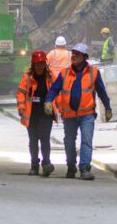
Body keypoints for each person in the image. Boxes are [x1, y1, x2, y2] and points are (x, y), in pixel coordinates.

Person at [45, 41, 112, 180]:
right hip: (69, 114)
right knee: (69, 141)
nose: (73, 56)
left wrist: (108, 107)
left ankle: (85, 169)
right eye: (73, 54)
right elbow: (54, 89)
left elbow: (101, 91)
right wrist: (48, 101)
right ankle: (71, 166)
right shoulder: (65, 73)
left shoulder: (94, 73)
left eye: (77, 54)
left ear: (84, 57)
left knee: (86, 140)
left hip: (87, 114)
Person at [16, 50, 56, 177]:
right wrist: (21, 107)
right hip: (31, 113)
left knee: (45, 139)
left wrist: (60, 108)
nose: (40, 66)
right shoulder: (27, 77)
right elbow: (21, 93)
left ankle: (46, 164)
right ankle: (34, 165)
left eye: (42, 63)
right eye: (37, 63)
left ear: (45, 64)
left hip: (46, 113)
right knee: (33, 140)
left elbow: (57, 92)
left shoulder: (50, 77)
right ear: (33, 64)